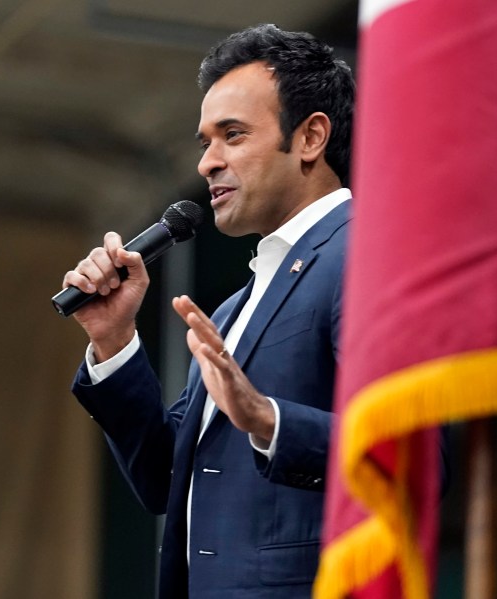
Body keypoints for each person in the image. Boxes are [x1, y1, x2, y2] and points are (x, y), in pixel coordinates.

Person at [63, 24, 355, 598]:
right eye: (205, 142)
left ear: (310, 137)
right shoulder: (229, 313)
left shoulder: (366, 253)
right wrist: (114, 339)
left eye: (233, 135)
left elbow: (414, 457)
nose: (207, 164)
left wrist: (268, 420)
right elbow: (164, 481)